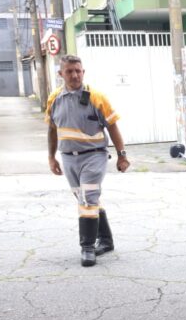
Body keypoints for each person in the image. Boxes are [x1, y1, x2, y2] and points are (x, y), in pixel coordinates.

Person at [47, 55, 129, 267]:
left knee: (88, 198)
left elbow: (112, 126)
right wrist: (51, 157)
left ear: (83, 72)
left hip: (94, 156)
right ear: (61, 74)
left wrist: (122, 155)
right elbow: (52, 129)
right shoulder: (54, 99)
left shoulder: (97, 97)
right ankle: (107, 241)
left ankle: (87, 248)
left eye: (78, 71)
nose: (74, 75)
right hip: (68, 159)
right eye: (69, 71)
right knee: (85, 200)